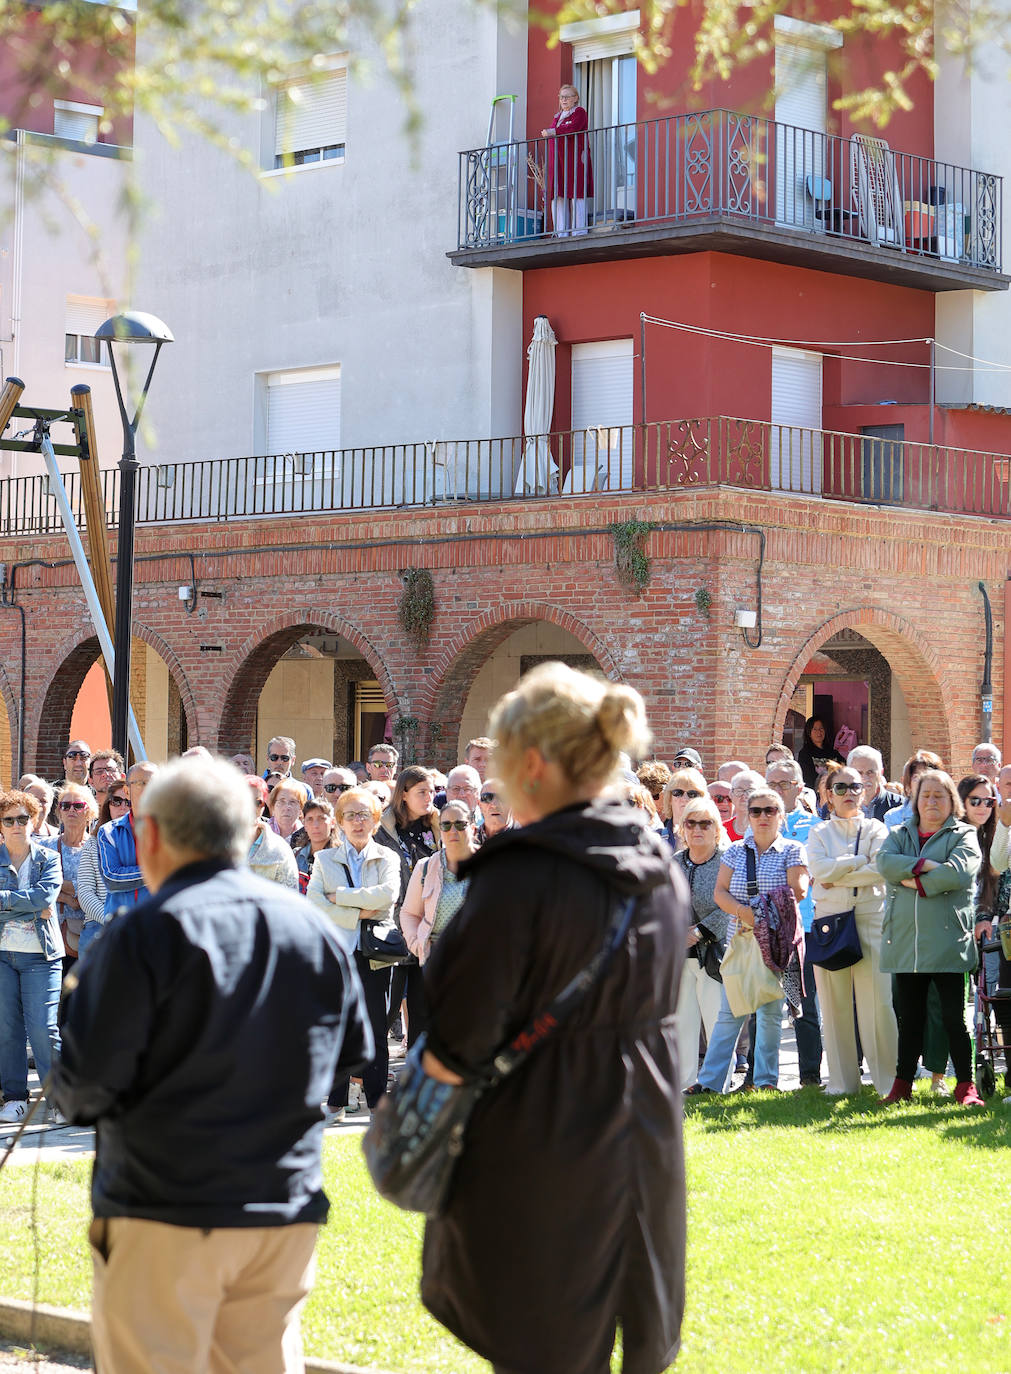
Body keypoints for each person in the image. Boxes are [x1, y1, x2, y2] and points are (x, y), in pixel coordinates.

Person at [50, 756, 371, 1374]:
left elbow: (85, 1088)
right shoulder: (311, 929)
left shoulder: (142, 934)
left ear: (149, 836)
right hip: (279, 1209)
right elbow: (353, 1053)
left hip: (166, 1208)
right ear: (246, 832)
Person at [419, 663, 688, 1374]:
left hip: (546, 1136)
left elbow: (457, 1035)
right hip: (643, 1135)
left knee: (544, 1347)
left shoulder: (518, 877)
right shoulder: (657, 863)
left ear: (532, 762)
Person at [688, 786, 808, 1094]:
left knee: (769, 1013)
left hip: (775, 944)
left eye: (770, 811)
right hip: (740, 941)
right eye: (756, 811)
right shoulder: (735, 851)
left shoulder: (793, 849)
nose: (763, 817)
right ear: (747, 816)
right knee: (730, 1014)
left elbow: (799, 891)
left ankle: (765, 1081)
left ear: (780, 816)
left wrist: (758, 915)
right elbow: (719, 893)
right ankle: (711, 1083)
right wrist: (746, 913)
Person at [877, 769, 983, 1105]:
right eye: (926, 795)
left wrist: (913, 879)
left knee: (954, 1019)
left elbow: (959, 872)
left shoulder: (964, 834)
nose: (932, 801)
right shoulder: (898, 833)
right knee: (909, 1019)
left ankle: (965, 1086)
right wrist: (927, 865)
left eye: (940, 795)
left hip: (949, 942)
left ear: (952, 801)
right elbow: (884, 863)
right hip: (906, 942)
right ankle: (901, 1086)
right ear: (915, 801)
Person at [306, 787, 400, 1117]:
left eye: (364, 815)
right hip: (339, 953)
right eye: (351, 816)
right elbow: (315, 902)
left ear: (375, 821)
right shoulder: (324, 859)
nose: (358, 822)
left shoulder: (387, 857)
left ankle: (375, 1100)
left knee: (375, 1027)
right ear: (340, 822)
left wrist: (341, 897)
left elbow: (387, 896)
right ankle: (336, 1101)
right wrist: (358, 911)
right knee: (338, 1025)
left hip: (375, 953)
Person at [806, 764, 897, 1095]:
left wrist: (838, 873)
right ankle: (843, 1083)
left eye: (854, 787)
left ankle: (887, 1081)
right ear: (828, 794)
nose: (848, 794)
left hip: (871, 917)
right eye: (840, 788)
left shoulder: (877, 829)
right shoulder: (818, 833)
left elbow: (882, 870)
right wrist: (857, 861)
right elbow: (818, 868)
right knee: (834, 1005)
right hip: (830, 921)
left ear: (865, 790)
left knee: (878, 1005)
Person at [0, 789, 64, 1123]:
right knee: (7, 1028)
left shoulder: (49, 858)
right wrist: (31, 906)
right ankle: (14, 1097)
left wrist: (7, 901)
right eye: (9, 819)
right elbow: (38, 904)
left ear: (34, 820)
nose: (16, 825)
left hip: (42, 957)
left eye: (22, 818)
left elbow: (45, 897)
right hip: (2, 956)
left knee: (43, 1028)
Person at [376, 766, 439, 1049]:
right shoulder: (384, 830)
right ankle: (363, 1079)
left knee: (421, 1010)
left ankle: (414, 1079)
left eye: (433, 791)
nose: (430, 797)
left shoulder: (436, 827)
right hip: (393, 928)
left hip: (427, 928)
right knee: (387, 1011)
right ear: (403, 794)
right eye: (422, 791)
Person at [767, 758, 821, 1085]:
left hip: (806, 929)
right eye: (771, 784)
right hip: (766, 930)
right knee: (766, 1008)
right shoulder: (758, 826)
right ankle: (764, 1077)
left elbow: (808, 878)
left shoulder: (814, 827)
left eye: (783, 784)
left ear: (800, 788)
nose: (776, 790)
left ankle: (810, 1076)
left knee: (806, 1007)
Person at [673, 796, 729, 1091]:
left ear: (716, 829)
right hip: (680, 956)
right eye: (691, 823)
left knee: (717, 1020)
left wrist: (700, 931)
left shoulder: (726, 860)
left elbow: (732, 904)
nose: (697, 829)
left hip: (715, 953)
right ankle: (685, 1082)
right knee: (683, 1023)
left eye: (705, 823)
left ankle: (719, 1082)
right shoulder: (674, 863)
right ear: (682, 829)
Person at [400, 800, 478, 965]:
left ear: (472, 828)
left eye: (460, 824)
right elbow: (409, 914)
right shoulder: (425, 868)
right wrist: (418, 946)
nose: (452, 831)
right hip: (437, 959)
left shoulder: (492, 864)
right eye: (446, 825)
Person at [42, 781, 98, 967]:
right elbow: (37, 886)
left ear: (89, 812)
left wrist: (61, 886)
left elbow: (99, 888)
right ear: (59, 812)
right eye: (65, 805)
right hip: (50, 934)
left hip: (88, 934)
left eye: (78, 805)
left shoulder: (97, 848)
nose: (71, 810)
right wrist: (68, 899)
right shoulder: (45, 847)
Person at [96, 762, 157, 925]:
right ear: (127, 791)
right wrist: (157, 872)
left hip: (159, 926)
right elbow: (112, 878)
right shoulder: (109, 832)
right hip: (121, 928)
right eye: (143, 783)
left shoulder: (171, 831)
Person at [76, 783, 130, 958]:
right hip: (98, 927)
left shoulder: (147, 841)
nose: (123, 806)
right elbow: (85, 892)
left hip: (137, 926)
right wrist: (110, 920)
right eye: (116, 801)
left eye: (128, 802)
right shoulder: (93, 843)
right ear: (107, 805)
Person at [541, 83, 593, 238]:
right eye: (561, 97)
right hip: (557, 161)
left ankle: (579, 231)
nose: (563, 99)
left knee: (576, 192)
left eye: (567, 96)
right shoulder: (557, 117)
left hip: (574, 159)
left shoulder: (579, 112)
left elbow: (574, 128)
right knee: (558, 194)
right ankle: (561, 232)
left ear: (575, 98)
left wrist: (553, 131)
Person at [246, 778, 299, 889]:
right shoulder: (214, 846)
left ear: (263, 806)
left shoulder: (279, 850)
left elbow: (289, 897)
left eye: (257, 802)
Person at [883, 749, 944, 831]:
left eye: (930, 777)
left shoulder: (947, 814)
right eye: (917, 777)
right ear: (908, 784)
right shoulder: (894, 818)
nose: (924, 782)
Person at [848, 745, 903, 822]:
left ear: (881, 773)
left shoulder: (900, 805)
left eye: (870, 772)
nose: (865, 779)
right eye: (859, 773)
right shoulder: (836, 807)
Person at [294, 796, 336, 894]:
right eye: (310, 819)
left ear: (332, 822)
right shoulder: (296, 855)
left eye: (321, 818)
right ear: (304, 824)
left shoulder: (341, 857)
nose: (315, 825)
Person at [659, 767, 707, 851]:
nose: (684, 798)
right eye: (678, 793)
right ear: (669, 798)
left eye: (692, 794)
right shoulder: (655, 838)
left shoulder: (712, 836)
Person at [797, 716, 844, 790]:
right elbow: (808, 780)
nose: (819, 732)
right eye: (815, 729)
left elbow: (844, 767)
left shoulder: (832, 752)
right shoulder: (805, 753)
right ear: (809, 732)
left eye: (821, 728)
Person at [728, 768, 765, 842]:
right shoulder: (721, 829)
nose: (744, 796)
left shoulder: (766, 828)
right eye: (739, 791)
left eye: (750, 791)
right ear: (731, 794)